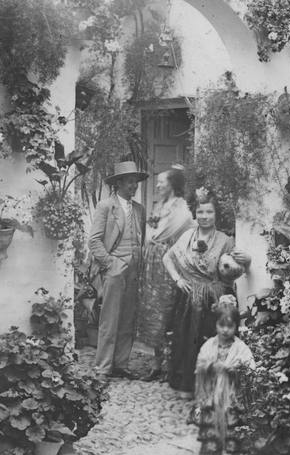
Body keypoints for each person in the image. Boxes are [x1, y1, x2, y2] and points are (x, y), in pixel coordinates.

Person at [162, 188, 250, 394]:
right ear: (195, 213)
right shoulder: (187, 237)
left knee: (212, 342)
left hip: (214, 299)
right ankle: (186, 385)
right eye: (200, 212)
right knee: (186, 340)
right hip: (188, 300)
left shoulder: (225, 240)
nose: (204, 217)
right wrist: (177, 279)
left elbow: (236, 268)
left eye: (209, 212)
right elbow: (167, 257)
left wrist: (247, 260)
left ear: (216, 214)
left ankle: (211, 389)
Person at [88, 160, 148, 379]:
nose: (134, 186)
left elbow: (140, 239)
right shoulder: (106, 206)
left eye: (136, 182)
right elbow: (94, 242)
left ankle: (121, 364)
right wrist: (110, 264)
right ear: (119, 183)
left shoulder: (140, 209)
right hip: (115, 268)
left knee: (127, 319)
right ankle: (102, 367)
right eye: (130, 182)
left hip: (134, 270)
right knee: (109, 319)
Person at [138, 167, 194, 382]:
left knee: (167, 311)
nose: (158, 185)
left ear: (173, 184)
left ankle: (171, 365)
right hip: (151, 264)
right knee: (151, 309)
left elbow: (186, 231)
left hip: (167, 264)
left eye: (162, 181)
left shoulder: (182, 209)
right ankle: (156, 362)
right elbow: (150, 232)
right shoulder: (159, 206)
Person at [193, 295, 255, 455]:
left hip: (232, 396)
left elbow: (249, 366)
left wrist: (234, 368)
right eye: (222, 325)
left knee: (233, 428)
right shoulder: (209, 345)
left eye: (230, 326)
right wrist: (210, 365)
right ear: (216, 325)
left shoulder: (241, 347)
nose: (226, 330)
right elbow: (200, 364)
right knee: (214, 429)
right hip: (213, 395)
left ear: (236, 327)